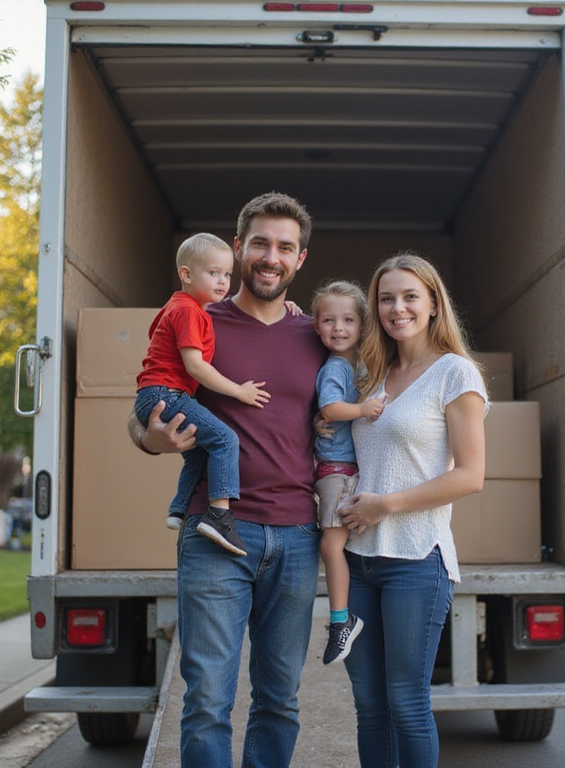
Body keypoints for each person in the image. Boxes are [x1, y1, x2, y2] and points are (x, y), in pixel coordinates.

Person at [129, 192, 325, 768]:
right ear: (239, 248)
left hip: (296, 535)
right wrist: (150, 439)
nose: (271, 257)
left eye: (285, 247)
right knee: (209, 700)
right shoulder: (196, 317)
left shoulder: (318, 336)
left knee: (279, 700)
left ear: (300, 259)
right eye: (260, 243)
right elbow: (141, 409)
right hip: (216, 535)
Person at [337, 252, 487, 768]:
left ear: (432, 305)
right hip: (357, 562)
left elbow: (470, 475)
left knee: (407, 702)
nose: (396, 308)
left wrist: (385, 505)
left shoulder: (454, 373)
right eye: (385, 298)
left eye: (409, 297)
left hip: (417, 562)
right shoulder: (370, 374)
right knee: (369, 705)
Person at [134, 232, 270, 556]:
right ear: (186, 274)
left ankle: (179, 509)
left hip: (155, 394)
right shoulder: (189, 311)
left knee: (198, 453)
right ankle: (220, 516)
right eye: (214, 273)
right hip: (167, 394)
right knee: (225, 440)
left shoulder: (179, 306)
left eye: (227, 274)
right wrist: (239, 391)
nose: (223, 282)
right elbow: (195, 366)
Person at [309, 280, 384, 665]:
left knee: (330, 546)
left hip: (339, 472)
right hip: (340, 469)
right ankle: (344, 615)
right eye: (328, 320)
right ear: (316, 325)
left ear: (362, 325)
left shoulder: (342, 366)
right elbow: (330, 409)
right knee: (337, 547)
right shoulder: (341, 366)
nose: (338, 328)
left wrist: (359, 411)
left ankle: (341, 620)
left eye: (348, 320)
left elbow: (335, 408)